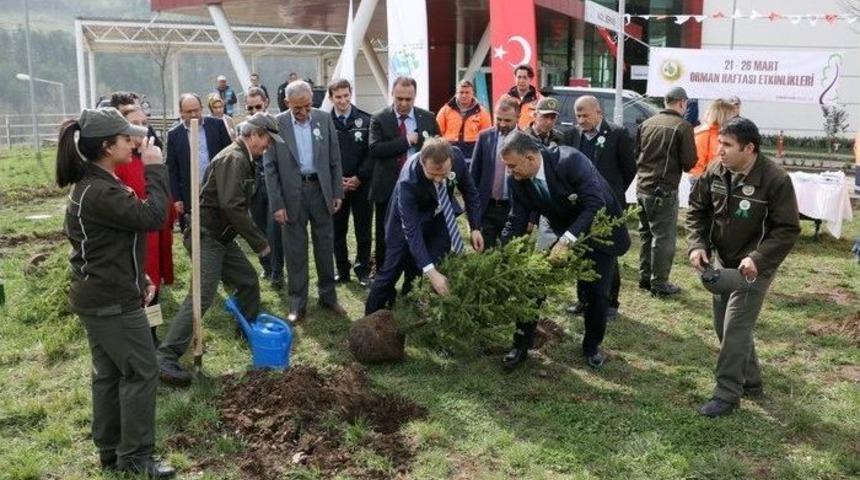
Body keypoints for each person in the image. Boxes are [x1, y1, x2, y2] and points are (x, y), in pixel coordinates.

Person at [57, 108, 176, 477]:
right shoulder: (100, 192)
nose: (134, 142)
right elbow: (153, 217)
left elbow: (111, 244)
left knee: (109, 374)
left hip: (101, 295)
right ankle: (136, 457)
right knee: (142, 371)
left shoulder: (97, 185)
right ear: (108, 146)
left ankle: (110, 451)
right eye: (127, 138)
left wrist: (140, 276)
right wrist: (155, 169)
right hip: (111, 302)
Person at [686, 117, 800, 417]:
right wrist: (697, 245)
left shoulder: (775, 179)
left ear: (749, 148)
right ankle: (751, 381)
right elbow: (697, 210)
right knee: (722, 327)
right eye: (719, 143)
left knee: (735, 330)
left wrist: (758, 258)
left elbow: (787, 229)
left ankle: (726, 395)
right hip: (723, 263)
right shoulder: (715, 169)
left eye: (727, 145)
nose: (719, 150)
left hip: (754, 269)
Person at [158, 113, 282, 385]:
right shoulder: (234, 159)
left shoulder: (244, 158)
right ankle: (166, 356)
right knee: (201, 296)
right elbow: (231, 205)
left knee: (248, 281)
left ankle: (245, 332)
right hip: (206, 237)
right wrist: (259, 242)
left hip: (222, 238)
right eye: (267, 140)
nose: (268, 147)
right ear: (254, 134)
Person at [499, 131, 630, 370]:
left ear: (530, 158)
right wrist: (503, 255)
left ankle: (591, 347)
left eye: (512, 165)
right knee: (533, 284)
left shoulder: (570, 161)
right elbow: (516, 219)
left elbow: (595, 203)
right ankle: (520, 346)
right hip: (562, 229)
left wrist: (566, 241)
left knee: (597, 294)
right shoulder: (517, 181)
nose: (509, 171)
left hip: (600, 231)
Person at [365, 138, 483, 314]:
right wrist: (431, 272)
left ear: (451, 161)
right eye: (432, 174)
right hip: (405, 224)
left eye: (444, 174)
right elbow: (411, 231)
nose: (439, 179)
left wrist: (475, 227)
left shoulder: (457, 157)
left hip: (439, 217)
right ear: (422, 162)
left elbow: (470, 191)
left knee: (438, 263)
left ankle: (421, 305)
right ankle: (369, 317)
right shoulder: (408, 181)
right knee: (390, 272)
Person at [265, 80, 347, 323]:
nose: (303, 112)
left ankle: (328, 296)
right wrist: (277, 204)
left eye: (307, 106)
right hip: (292, 194)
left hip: (320, 190)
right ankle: (297, 303)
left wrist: (337, 192)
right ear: (287, 103)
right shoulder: (276, 124)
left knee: (325, 245)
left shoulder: (323, 118)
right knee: (295, 250)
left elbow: (334, 158)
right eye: (297, 107)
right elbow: (270, 168)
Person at [565, 95, 635, 320]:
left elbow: (629, 169)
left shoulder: (617, 134)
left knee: (607, 253)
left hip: (608, 207)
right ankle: (583, 299)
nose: (581, 120)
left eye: (585, 115)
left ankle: (610, 303)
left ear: (599, 113)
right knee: (582, 250)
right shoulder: (572, 135)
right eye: (578, 115)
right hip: (581, 206)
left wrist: (612, 193)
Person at [114, 104, 176, 346]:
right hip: (137, 236)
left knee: (155, 285)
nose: (142, 129)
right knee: (141, 285)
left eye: (144, 123)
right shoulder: (120, 164)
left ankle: (152, 335)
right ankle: (138, 338)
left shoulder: (151, 157)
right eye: (135, 124)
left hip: (156, 234)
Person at [368, 76, 440, 275]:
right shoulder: (379, 118)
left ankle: (412, 279)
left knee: (417, 234)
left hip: (419, 188)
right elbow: (375, 149)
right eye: (399, 98)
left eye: (409, 99)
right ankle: (383, 278)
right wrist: (406, 141)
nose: (404, 103)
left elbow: (438, 147)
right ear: (392, 93)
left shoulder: (428, 118)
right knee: (386, 235)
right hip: (388, 189)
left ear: (415, 96)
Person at [634, 86, 697, 297]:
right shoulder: (682, 126)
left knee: (646, 234)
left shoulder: (647, 123)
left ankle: (645, 278)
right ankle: (660, 283)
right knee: (663, 238)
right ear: (682, 103)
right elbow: (689, 163)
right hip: (664, 190)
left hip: (643, 187)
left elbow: (636, 153)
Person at [328, 78, 373, 286]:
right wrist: (337, 179)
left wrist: (359, 177)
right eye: (338, 97)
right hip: (336, 186)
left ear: (351, 93)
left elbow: (372, 153)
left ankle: (363, 270)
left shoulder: (366, 120)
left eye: (346, 95)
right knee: (337, 230)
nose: (343, 100)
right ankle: (342, 270)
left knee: (363, 229)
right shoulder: (325, 122)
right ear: (331, 98)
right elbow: (323, 155)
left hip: (362, 185)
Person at [165, 93, 232, 230]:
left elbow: (229, 157)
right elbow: (172, 169)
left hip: (217, 191)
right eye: (189, 112)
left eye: (196, 110)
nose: (194, 114)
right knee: (194, 233)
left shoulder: (217, 126)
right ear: (181, 113)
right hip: (189, 194)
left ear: (202, 108)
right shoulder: (174, 135)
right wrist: (176, 198)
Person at [245, 87, 285, 289]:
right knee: (259, 228)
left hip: (273, 186)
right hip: (255, 186)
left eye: (258, 106)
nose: (254, 111)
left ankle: (277, 271)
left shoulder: (275, 126)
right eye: (250, 108)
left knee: (274, 230)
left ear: (266, 103)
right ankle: (266, 266)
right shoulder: (244, 129)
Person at [470, 95, 520, 249]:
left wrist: (531, 218)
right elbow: (474, 175)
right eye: (499, 119)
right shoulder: (484, 137)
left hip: (513, 209)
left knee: (509, 254)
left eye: (507, 120)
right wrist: (472, 211)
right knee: (485, 254)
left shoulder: (526, 140)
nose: (502, 124)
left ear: (518, 118)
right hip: (487, 207)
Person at [435, 79, 492, 158]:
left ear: (472, 94)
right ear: (456, 93)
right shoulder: (445, 110)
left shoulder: (482, 111)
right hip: (450, 149)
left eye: (467, 92)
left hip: (473, 150)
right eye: (461, 92)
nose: (464, 95)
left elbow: (487, 135)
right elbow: (437, 132)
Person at [690, 99, 736, 184]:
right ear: (723, 116)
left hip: (718, 179)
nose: (734, 119)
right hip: (704, 181)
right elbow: (696, 164)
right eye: (732, 116)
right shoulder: (703, 134)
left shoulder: (724, 133)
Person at [508, 64, 540, 129]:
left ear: (531, 79)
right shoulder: (505, 99)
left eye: (525, 77)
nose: (521, 81)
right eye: (519, 77)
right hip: (509, 134)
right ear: (515, 78)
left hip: (530, 135)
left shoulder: (540, 100)